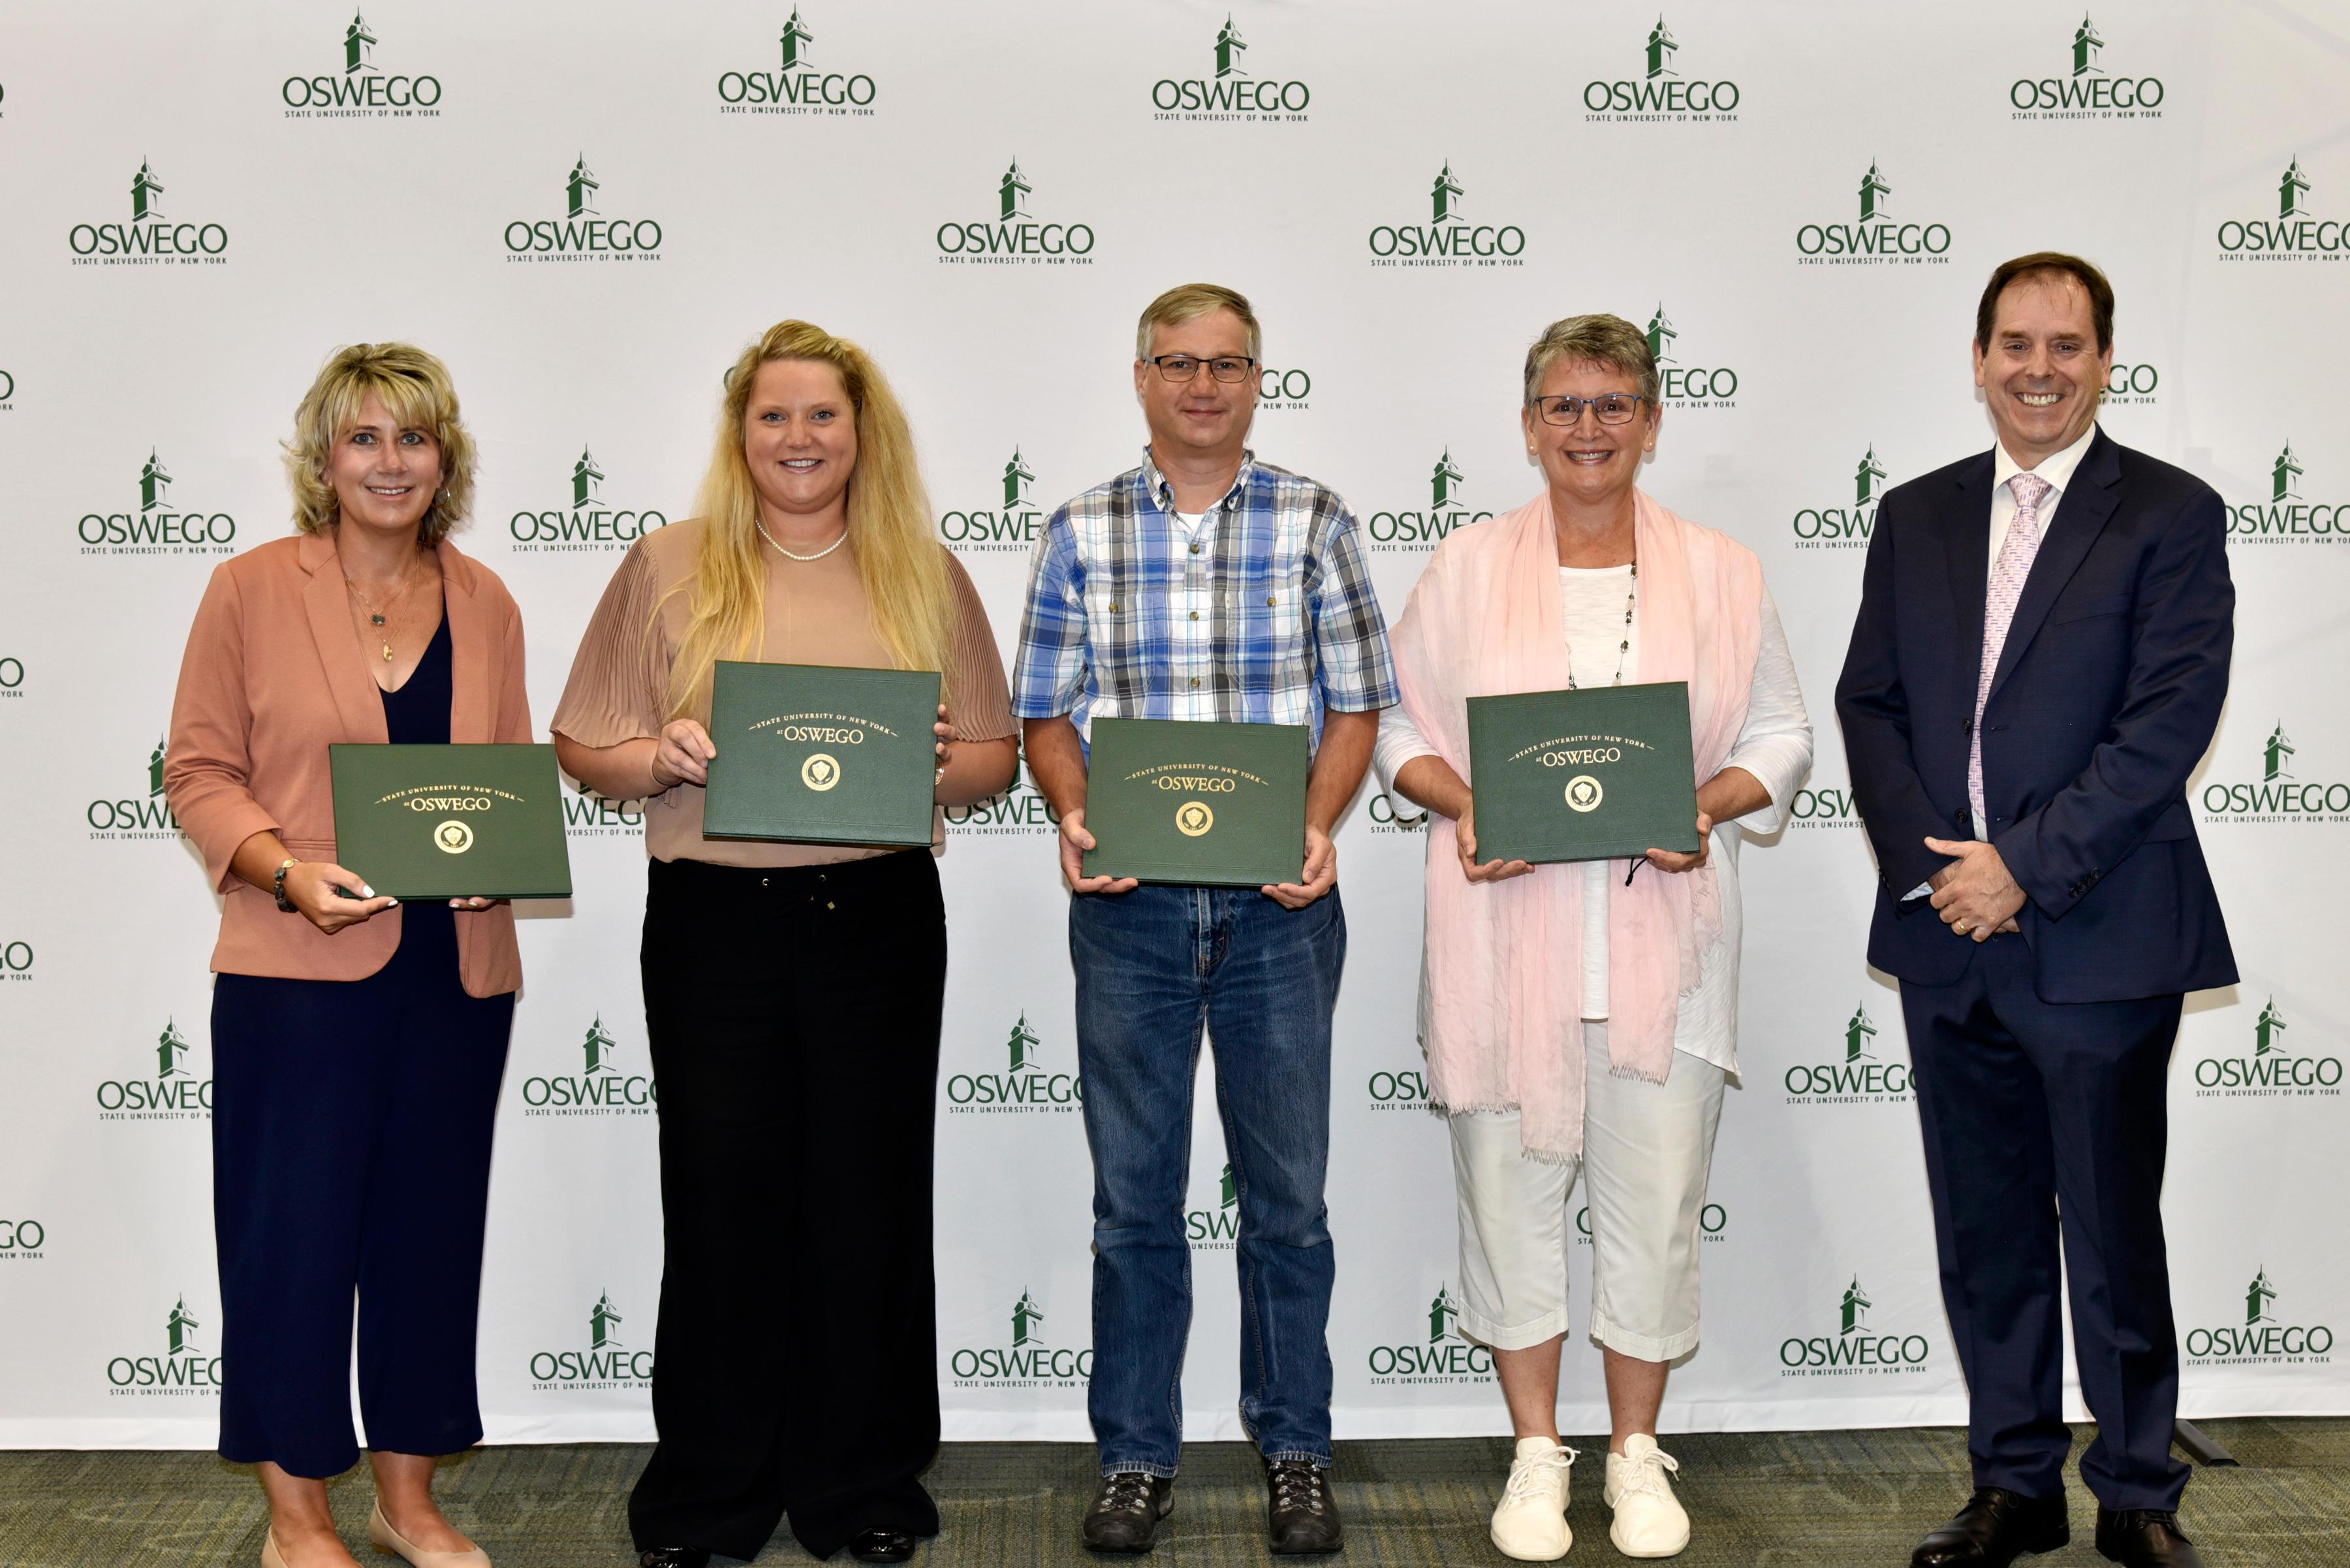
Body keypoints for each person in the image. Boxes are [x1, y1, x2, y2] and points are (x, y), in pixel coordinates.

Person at [552, 320, 1017, 1568]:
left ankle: (860, 1486)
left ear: (864, 431)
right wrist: (656, 754)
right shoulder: (667, 564)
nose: (799, 438)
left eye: (822, 415)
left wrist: (935, 763)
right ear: (739, 432)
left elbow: (994, 753)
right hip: (715, 925)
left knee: (867, 1200)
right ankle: (708, 1497)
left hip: (873, 919)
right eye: (774, 416)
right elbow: (582, 741)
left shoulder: (922, 568)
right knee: (719, 1200)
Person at [1377, 314, 1812, 1562]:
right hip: (1500, 939)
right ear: (1528, 426)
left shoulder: (1723, 569)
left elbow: (1779, 734)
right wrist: (1465, 804)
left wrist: (1707, 806)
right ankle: (1533, 1454)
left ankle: (1632, 1453)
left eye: (1614, 403)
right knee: (1508, 1204)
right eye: (1565, 406)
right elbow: (1394, 729)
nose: (1588, 427)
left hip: (1662, 947)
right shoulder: (1462, 570)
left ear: (1653, 420)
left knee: (1657, 1204)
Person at [1836, 253, 2234, 1568]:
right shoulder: (1916, 514)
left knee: (2114, 1230)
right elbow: (1872, 704)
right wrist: (1945, 871)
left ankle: (2135, 1491)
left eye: (2068, 345)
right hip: (1951, 939)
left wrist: (2023, 862)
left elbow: (2166, 721)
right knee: (1988, 1231)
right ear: (1979, 356)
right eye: (2016, 343)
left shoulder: (2170, 514)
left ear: (2106, 361)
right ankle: (2013, 1482)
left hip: (2101, 932)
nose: (2041, 368)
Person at [1012, 282, 1398, 1556]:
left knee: (1288, 1200)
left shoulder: (1315, 519)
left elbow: (1356, 707)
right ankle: (1134, 1456)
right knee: (1134, 1203)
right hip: (1128, 913)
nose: (1201, 385)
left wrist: (1318, 822)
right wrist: (1077, 813)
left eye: (1226, 364)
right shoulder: (1080, 527)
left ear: (1256, 379)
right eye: (1177, 363)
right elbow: (1046, 717)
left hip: (1279, 912)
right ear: (1141, 377)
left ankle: (1296, 1447)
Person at [165, 343, 525, 1568]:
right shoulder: (250, 588)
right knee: (292, 1241)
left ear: (446, 457)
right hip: (292, 974)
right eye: (365, 438)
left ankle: (409, 1499)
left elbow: (508, 779)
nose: (391, 461)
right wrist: (281, 867)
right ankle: (298, 1514)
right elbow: (199, 771)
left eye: (413, 438)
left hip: (454, 974)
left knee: (430, 1237)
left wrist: (502, 852)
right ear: (324, 460)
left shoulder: (487, 601)